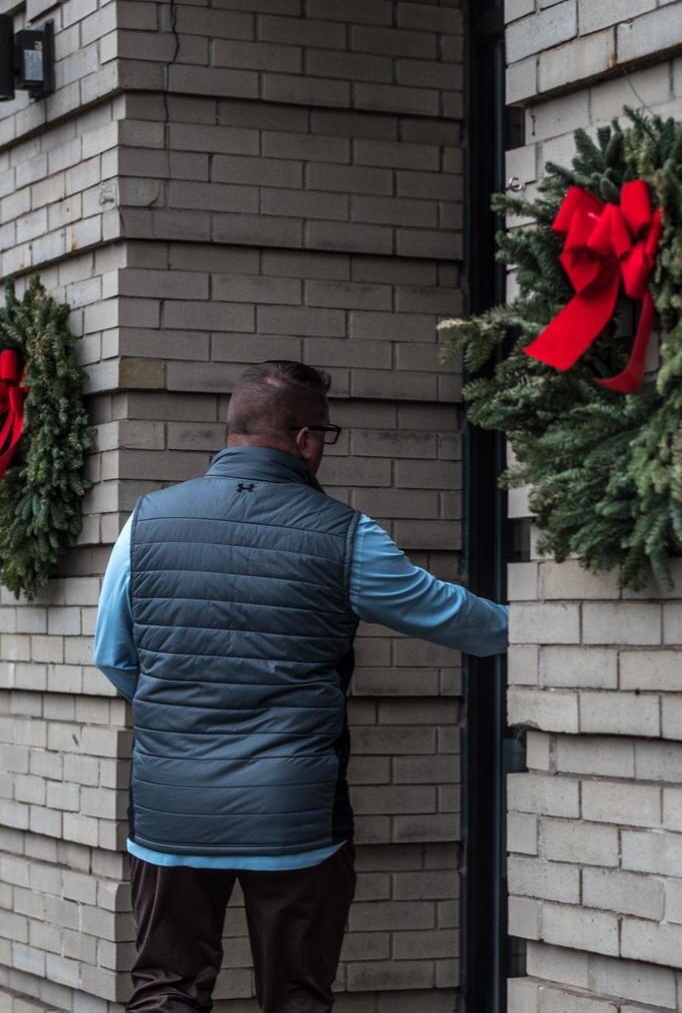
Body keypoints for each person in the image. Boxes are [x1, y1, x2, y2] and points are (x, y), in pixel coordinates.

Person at [93, 360, 509, 1013]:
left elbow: (112, 655)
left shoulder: (145, 523)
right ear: (307, 438)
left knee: (166, 990)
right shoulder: (345, 538)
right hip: (292, 816)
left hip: (170, 808)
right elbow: (457, 619)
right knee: (295, 997)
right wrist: (545, 628)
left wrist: (179, 711)